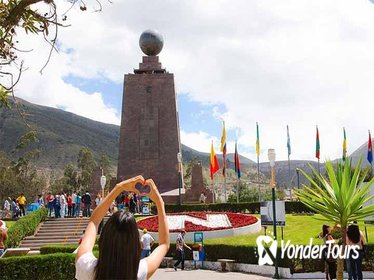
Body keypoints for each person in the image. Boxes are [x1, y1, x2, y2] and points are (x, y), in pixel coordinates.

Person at [75, 175, 169, 280]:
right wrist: (160, 203)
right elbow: (164, 244)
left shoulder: (86, 267)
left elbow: (94, 221)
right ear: (135, 245)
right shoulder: (139, 273)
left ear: (103, 240)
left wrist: (118, 188)